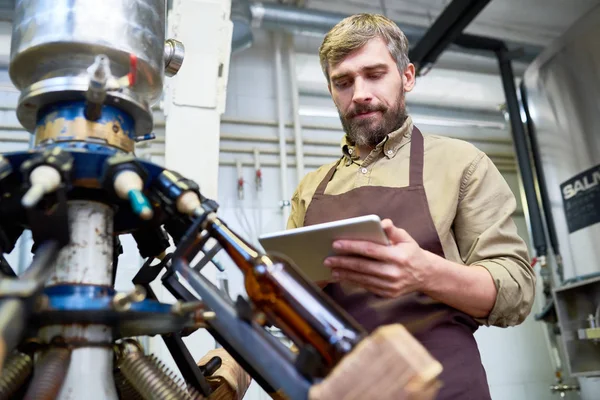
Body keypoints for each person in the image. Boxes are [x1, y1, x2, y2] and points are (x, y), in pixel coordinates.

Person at [286, 13, 536, 400]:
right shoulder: (311, 187)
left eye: (374, 74)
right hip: (338, 389)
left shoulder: (461, 164)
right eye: (343, 82)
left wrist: (424, 273)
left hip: (444, 386)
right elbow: (283, 305)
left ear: (406, 77)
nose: (360, 93)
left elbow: (517, 290)